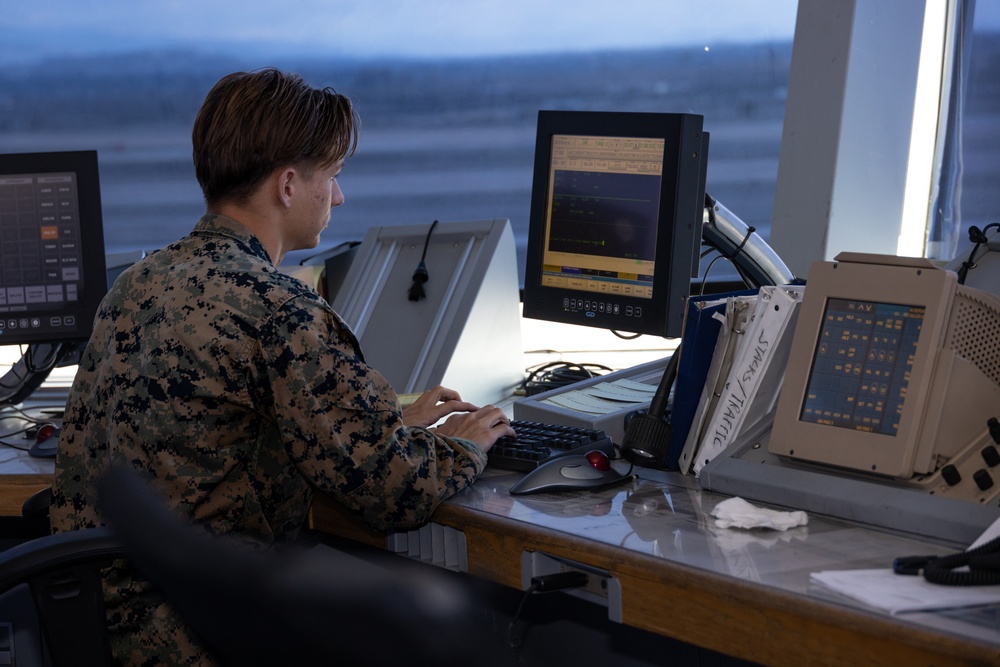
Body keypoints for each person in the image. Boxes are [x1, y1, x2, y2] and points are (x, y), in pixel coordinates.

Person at [50, 68, 515, 665]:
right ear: (289, 185)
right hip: (201, 639)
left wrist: (389, 419)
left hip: (106, 623)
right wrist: (464, 443)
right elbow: (392, 489)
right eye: (334, 176)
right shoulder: (279, 310)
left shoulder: (136, 283)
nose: (339, 196)